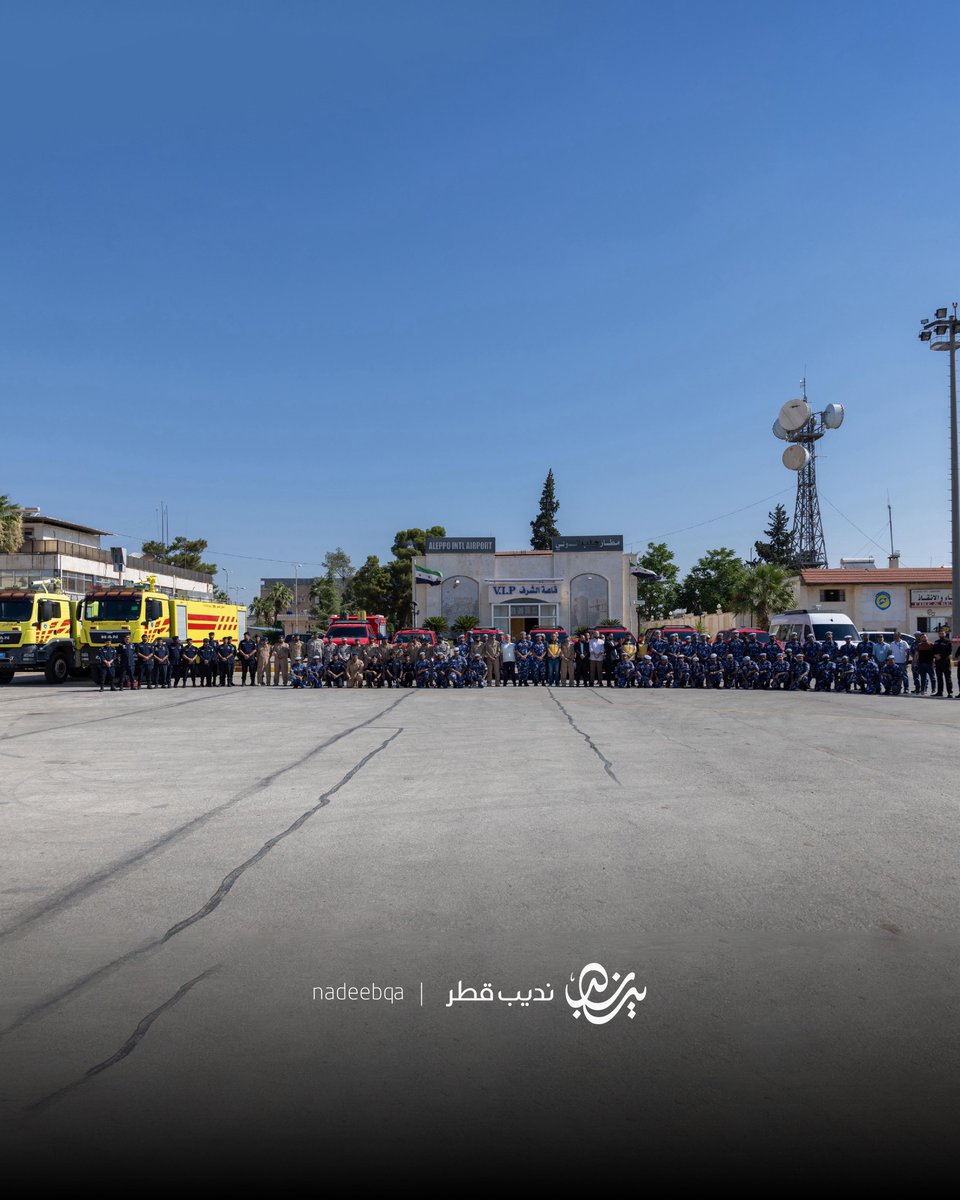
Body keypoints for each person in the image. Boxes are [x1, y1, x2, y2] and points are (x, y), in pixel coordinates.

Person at [886, 632, 911, 697]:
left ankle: (906, 689)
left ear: (899, 636)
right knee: (896, 676)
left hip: (902, 662)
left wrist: (907, 661)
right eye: (894, 636)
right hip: (894, 663)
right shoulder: (892, 643)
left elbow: (908, 652)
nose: (894, 637)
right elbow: (890, 652)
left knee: (904, 676)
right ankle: (897, 688)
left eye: (896, 635)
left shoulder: (904, 643)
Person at [932, 630, 953, 698]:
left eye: (942, 633)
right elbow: (933, 651)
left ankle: (950, 693)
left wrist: (941, 656)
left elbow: (949, 652)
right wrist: (935, 655)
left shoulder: (948, 641)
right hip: (938, 663)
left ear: (945, 634)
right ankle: (939, 692)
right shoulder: (936, 642)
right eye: (940, 633)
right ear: (938, 634)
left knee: (948, 678)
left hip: (945, 662)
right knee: (939, 678)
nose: (941, 634)